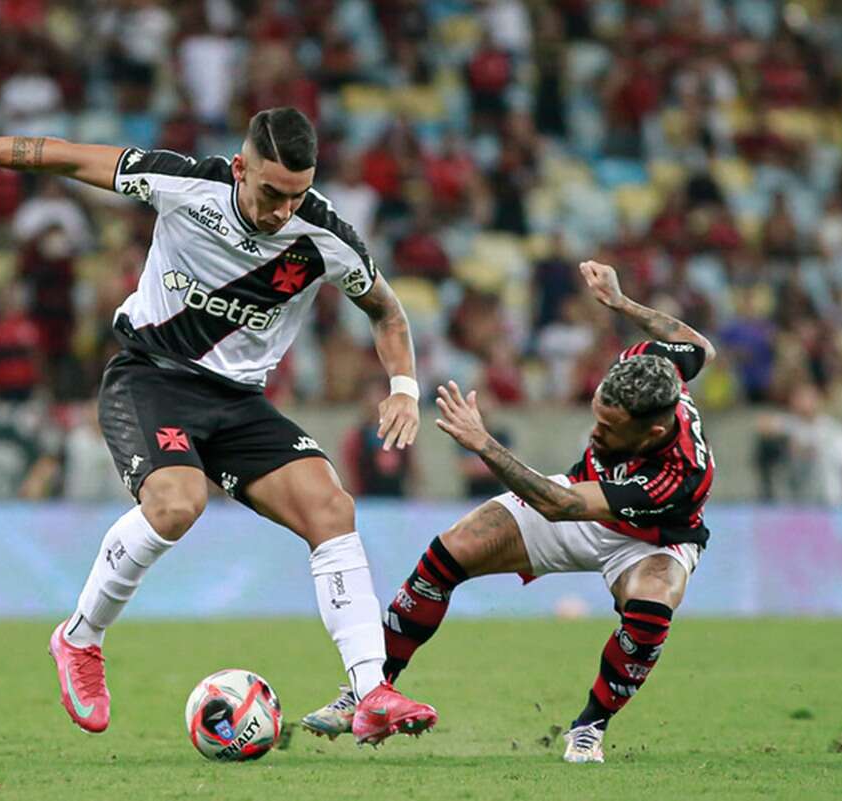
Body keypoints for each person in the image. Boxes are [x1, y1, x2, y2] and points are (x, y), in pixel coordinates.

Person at [0, 107, 438, 745]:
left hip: (239, 403)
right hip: (151, 377)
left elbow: (386, 312)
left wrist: (403, 388)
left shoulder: (326, 236)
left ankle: (370, 694)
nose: (283, 210)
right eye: (271, 193)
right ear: (239, 169)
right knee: (178, 502)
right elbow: (60, 153)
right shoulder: (182, 184)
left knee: (331, 507)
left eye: (297, 195)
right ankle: (79, 639)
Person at [302, 260, 717, 764]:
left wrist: (483, 443)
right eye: (596, 417)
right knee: (450, 551)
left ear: (652, 434)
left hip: (652, 536)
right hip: (588, 493)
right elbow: (698, 347)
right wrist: (621, 303)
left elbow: (559, 505)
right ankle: (368, 692)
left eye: (609, 430)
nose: (595, 433)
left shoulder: (679, 474)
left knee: (651, 606)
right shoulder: (650, 370)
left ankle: (590, 726)